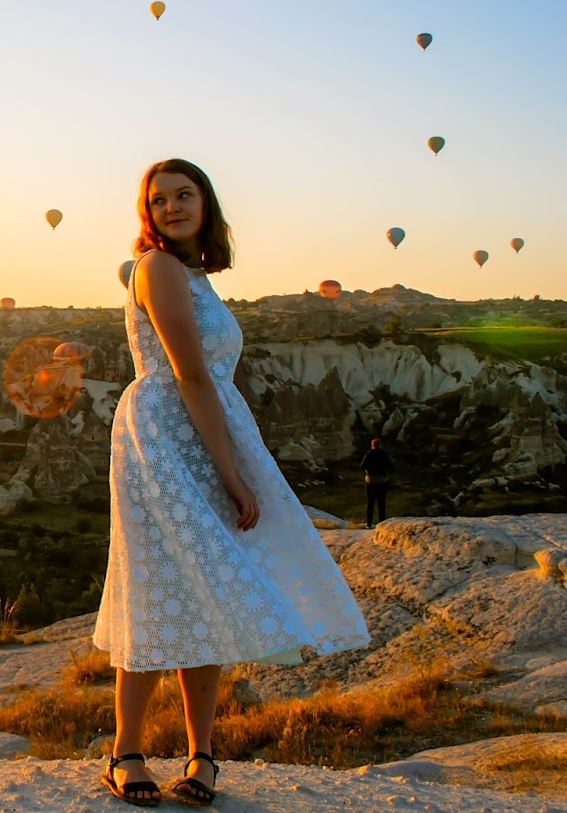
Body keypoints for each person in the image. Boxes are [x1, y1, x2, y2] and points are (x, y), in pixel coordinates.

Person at [92, 158, 370, 807]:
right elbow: (189, 373)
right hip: (165, 434)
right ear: (147, 212)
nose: (171, 207)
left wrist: (232, 458)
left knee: (207, 587)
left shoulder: (193, 275)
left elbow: (207, 381)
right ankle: (126, 751)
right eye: (158, 199)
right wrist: (232, 472)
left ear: (206, 204)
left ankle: (201, 756)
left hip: (203, 426)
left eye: (183, 195)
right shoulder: (156, 267)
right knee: (159, 583)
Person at [360, 438, 393, 528]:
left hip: (370, 480)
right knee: (381, 503)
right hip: (382, 481)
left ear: (372, 445)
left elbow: (362, 467)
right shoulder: (384, 455)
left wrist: (368, 471)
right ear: (380, 445)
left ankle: (369, 524)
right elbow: (391, 467)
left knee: (370, 503)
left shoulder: (368, 454)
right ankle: (382, 523)